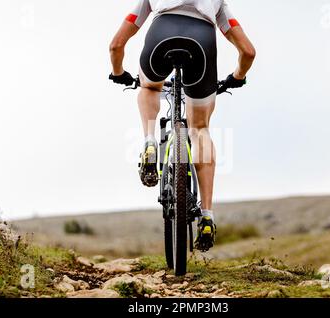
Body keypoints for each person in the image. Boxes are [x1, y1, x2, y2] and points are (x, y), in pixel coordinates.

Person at [109, 0, 255, 251]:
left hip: (160, 37)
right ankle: (207, 215)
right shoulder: (217, 4)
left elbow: (116, 44)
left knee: (149, 86)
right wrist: (237, 77)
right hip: (202, 45)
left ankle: (149, 142)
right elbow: (248, 52)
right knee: (200, 130)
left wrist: (118, 72)